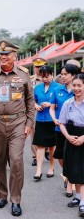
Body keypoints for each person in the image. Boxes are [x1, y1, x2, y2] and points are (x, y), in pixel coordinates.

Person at [0, 39, 35, 217]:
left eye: (6, 54)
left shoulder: (24, 75)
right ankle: (1, 195)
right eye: (1, 54)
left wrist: (29, 123)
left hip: (18, 122)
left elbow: (30, 101)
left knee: (16, 161)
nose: (2, 57)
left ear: (14, 56)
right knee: (0, 160)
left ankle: (16, 200)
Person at [49, 63, 80, 197]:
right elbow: (52, 107)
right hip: (60, 128)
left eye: (65, 74)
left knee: (74, 157)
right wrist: (54, 118)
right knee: (61, 156)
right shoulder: (57, 90)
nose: (62, 76)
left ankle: (70, 182)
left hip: (75, 130)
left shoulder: (79, 90)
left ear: (73, 76)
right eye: (61, 74)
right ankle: (68, 175)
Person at [59, 74, 84, 216]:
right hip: (72, 136)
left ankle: (82, 203)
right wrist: (68, 136)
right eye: (74, 85)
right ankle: (78, 196)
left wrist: (83, 138)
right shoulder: (68, 103)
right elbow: (62, 122)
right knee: (74, 169)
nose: (76, 88)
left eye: (79, 85)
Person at [32, 65, 60, 181]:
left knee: (52, 145)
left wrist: (50, 105)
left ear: (51, 75)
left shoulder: (58, 88)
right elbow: (33, 101)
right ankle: (38, 170)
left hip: (52, 120)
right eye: (43, 77)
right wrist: (36, 106)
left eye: (47, 76)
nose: (45, 79)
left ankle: (51, 167)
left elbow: (62, 104)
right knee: (40, 144)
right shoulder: (37, 88)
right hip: (40, 119)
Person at [30, 57, 48, 166]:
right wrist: (34, 105)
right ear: (34, 68)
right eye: (37, 67)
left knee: (47, 130)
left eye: (41, 66)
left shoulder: (50, 79)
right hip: (34, 109)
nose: (39, 69)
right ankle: (35, 156)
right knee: (34, 132)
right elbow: (27, 96)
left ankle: (45, 150)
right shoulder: (30, 79)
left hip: (47, 108)